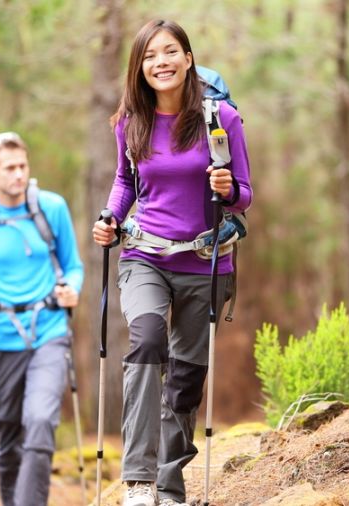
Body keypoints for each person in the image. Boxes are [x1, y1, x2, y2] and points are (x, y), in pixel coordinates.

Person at [92, 19, 253, 506]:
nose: (160, 63)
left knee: (184, 378)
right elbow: (125, 181)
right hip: (145, 257)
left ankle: (170, 483)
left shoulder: (220, 118)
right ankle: (139, 481)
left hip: (205, 262)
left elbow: (244, 195)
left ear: (187, 58)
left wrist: (228, 190)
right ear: (139, 68)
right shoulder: (130, 120)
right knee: (145, 343)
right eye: (149, 56)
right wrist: (110, 217)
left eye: (169, 53)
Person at [0, 132, 84, 506]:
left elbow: (73, 266)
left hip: (50, 331)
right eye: (9, 168)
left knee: (40, 422)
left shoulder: (52, 208)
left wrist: (72, 288)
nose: (19, 175)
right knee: (9, 440)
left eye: (23, 166)